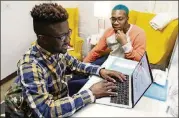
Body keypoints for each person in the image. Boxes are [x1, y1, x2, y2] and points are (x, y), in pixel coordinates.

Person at [4, 3, 126, 118]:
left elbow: (76, 65)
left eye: (68, 33)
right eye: (62, 37)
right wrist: (91, 93)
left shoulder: (56, 50)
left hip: (59, 101)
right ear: (43, 39)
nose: (68, 41)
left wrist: (101, 71)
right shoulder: (30, 66)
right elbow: (45, 111)